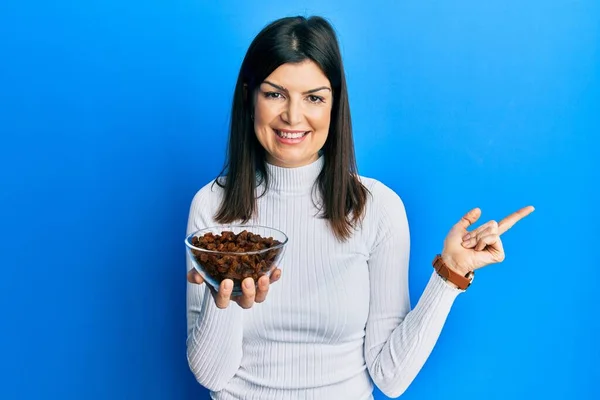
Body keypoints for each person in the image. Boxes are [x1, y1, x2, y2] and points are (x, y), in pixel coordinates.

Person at [185, 15, 534, 400]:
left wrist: (450, 275)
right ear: (250, 97)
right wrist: (227, 299)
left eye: (314, 98)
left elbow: (390, 377)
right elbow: (211, 375)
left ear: (335, 105)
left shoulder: (377, 208)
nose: (293, 116)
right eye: (275, 94)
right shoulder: (212, 208)